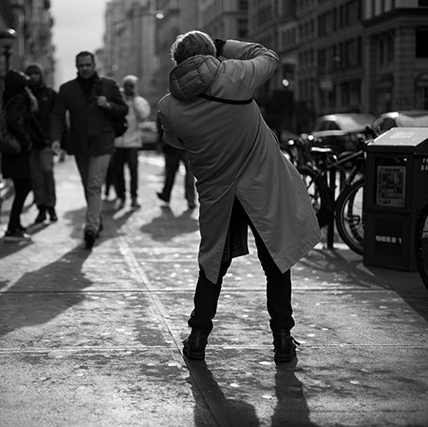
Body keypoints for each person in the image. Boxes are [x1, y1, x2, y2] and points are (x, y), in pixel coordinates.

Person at [157, 31, 321, 363]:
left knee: (213, 266)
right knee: (276, 262)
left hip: (220, 198)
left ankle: (198, 338)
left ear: (177, 62)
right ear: (212, 55)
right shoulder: (235, 75)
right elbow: (268, 55)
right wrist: (223, 46)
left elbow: (175, 142)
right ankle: (283, 340)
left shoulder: (168, 107)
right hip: (261, 191)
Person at [50, 51, 128, 249]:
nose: (84, 68)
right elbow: (57, 116)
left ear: (94, 65)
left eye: (88, 64)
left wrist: (108, 105)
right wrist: (55, 139)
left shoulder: (109, 85)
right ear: (76, 67)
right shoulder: (67, 89)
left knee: (94, 184)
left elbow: (123, 109)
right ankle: (96, 217)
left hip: (103, 143)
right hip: (80, 145)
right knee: (88, 185)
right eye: (81, 65)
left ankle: (90, 228)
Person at [1, 69, 41, 241]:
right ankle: (12, 227)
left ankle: (15, 224)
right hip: (17, 151)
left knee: (21, 187)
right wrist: (25, 140)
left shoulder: (12, 96)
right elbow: (13, 122)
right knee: (25, 186)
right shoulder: (18, 99)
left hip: (14, 151)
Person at [25, 63, 58, 224]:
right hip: (31, 143)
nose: (33, 77)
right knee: (36, 177)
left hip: (46, 141)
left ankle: (51, 206)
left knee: (47, 172)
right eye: (30, 74)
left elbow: (57, 118)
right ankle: (41, 208)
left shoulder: (50, 94)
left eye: (36, 74)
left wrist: (56, 139)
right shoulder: (24, 96)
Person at [111, 75, 151, 210]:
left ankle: (134, 197)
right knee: (118, 173)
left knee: (133, 171)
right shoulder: (118, 100)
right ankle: (121, 197)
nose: (128, 88)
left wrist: (133, 100)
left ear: (135, 87)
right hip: (118, 143)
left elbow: (143, 116)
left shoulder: (140, 101)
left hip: (133, 143)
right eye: (126, 85)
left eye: (131, 86)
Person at [155, 114, 196, 210]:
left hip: (174, 145)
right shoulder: (189, 103)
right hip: (184, 144)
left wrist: (161, 141)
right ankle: (190, 199)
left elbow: (160, 125)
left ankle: (167, 195)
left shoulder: (167, 104)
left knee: (171, 172)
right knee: (187, 172)